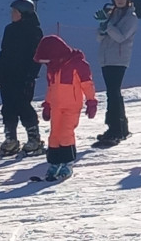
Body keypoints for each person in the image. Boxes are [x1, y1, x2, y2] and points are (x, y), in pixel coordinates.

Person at [32, 34, 98, 180]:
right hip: (56, 106)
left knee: (66, 133)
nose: (47, 64)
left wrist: (91, 101)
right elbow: (51, 88)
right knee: (54, 134)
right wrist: (48, 104)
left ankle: (67, 163)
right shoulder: (53, 68)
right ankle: (55, 163)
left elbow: (87, 85)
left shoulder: (78, 65)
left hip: (71, 106)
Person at [94, 0, 138, 147]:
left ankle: (116, 129)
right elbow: (99, 37)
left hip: (119, 59)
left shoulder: (131, 17)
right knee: (112, 93)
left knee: (113, 92)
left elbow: (121, 37)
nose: (120, 0)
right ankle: (118, 127)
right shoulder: (111, 14)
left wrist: (107, 26)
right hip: (106, 58)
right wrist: (102, 29)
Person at [0, 0, 44, 155]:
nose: (12, 14)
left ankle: (34, 138)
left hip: (24, 76)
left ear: (23, 13)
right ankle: (11, 139)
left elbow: (37, 56)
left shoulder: (34, 31)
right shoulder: (9, 29)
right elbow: (4, 53)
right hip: (7, 75)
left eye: (15, 11)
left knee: (23, 105)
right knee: (8, 107)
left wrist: (31, 75)